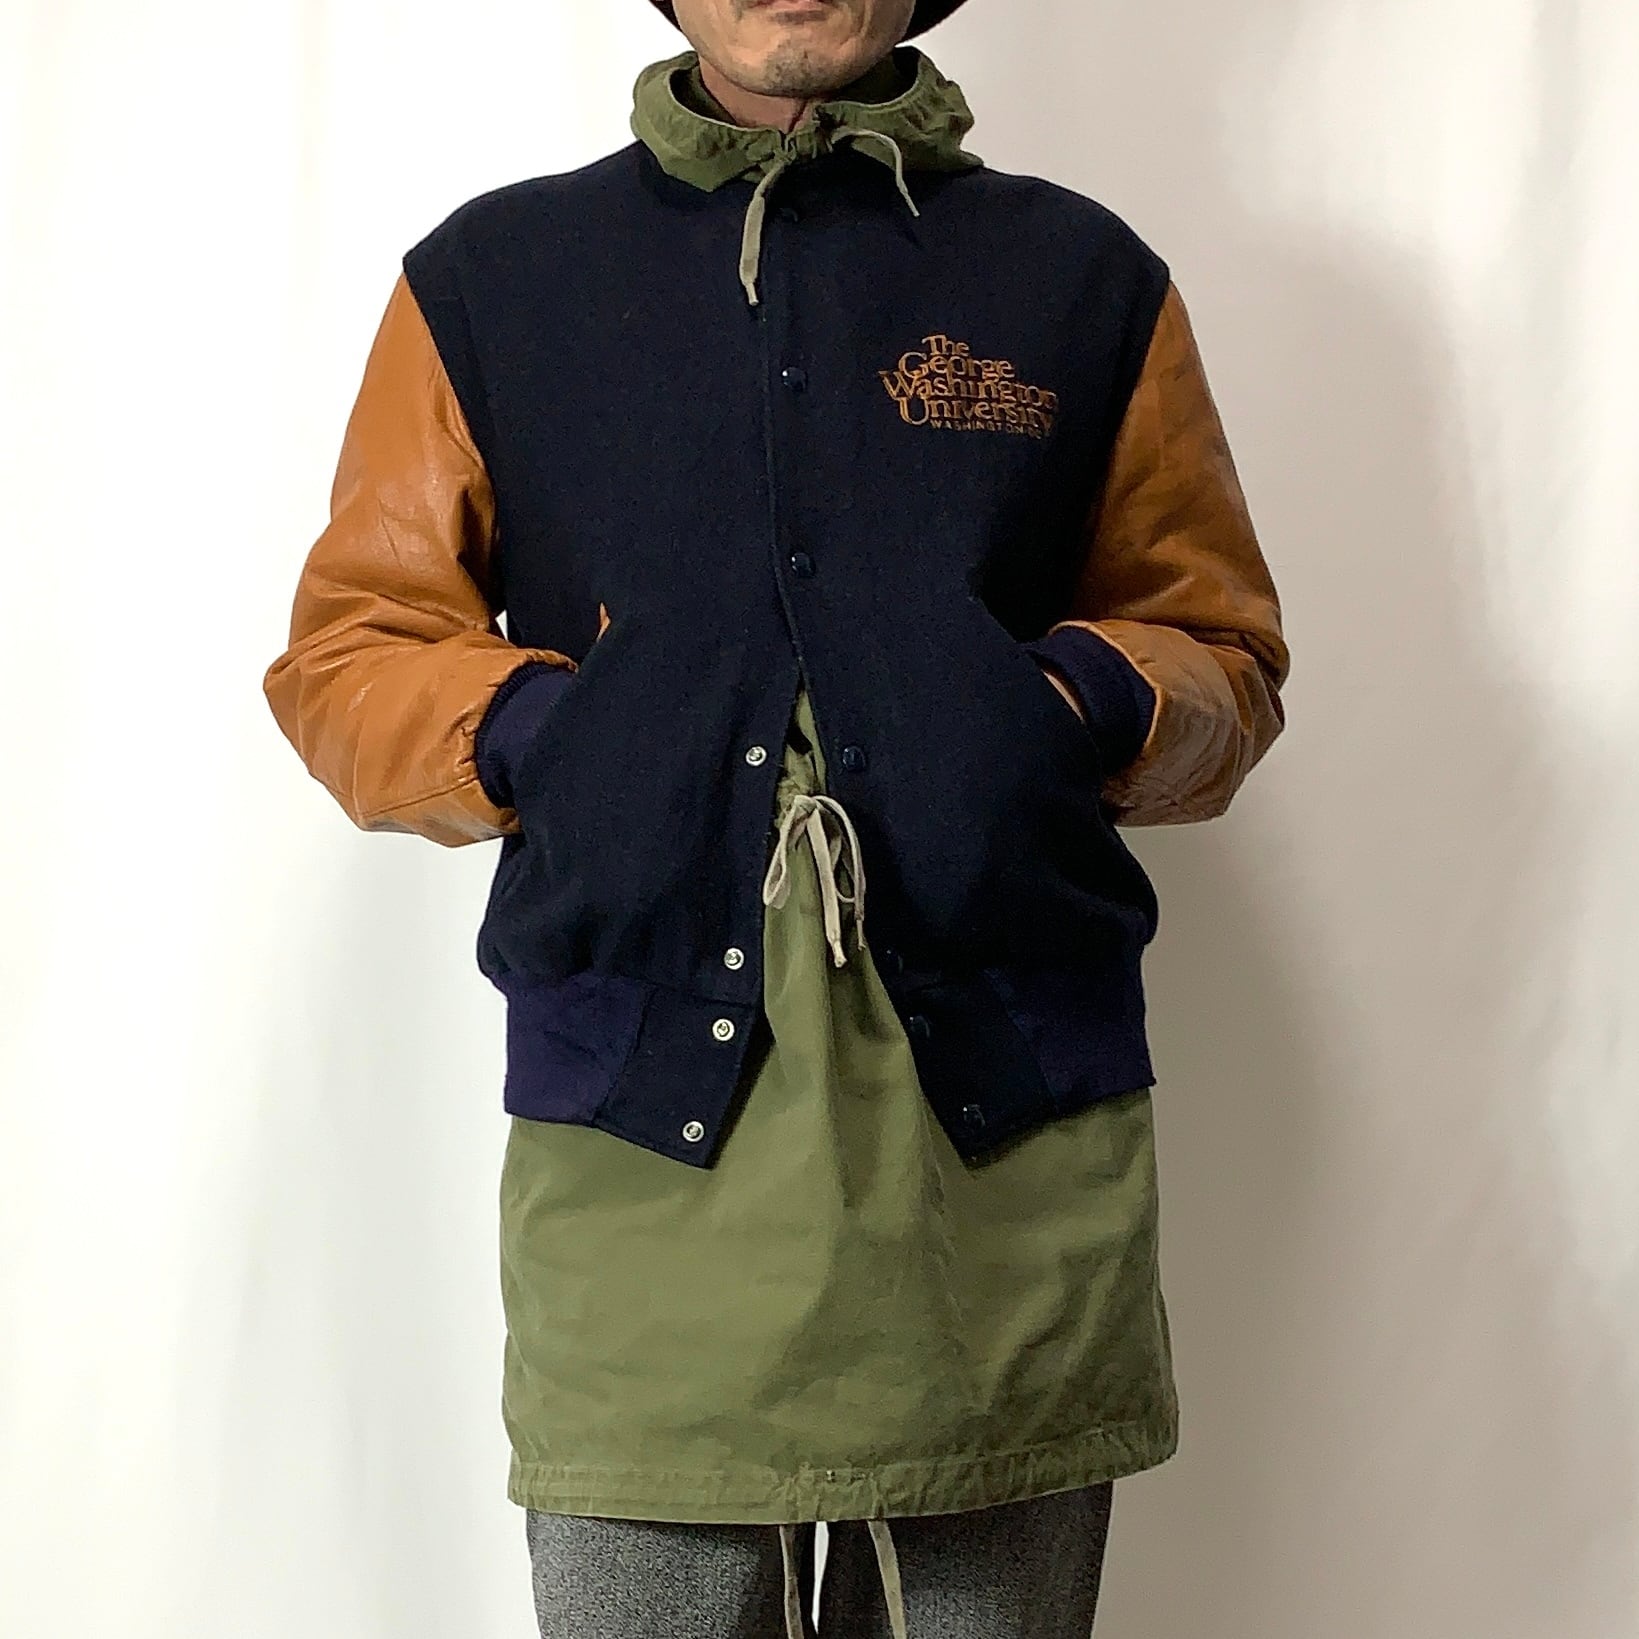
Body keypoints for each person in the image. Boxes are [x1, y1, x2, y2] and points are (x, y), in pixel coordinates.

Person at [262, 0, 1290, 1632]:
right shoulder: (493, 282)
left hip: (1006, 1150)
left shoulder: (1084, 280)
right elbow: (351, 656)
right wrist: (559, 736)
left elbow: (1219, 649)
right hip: (638, 1145)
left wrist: (1058, 708)